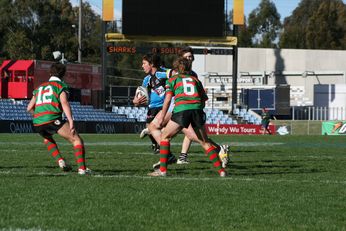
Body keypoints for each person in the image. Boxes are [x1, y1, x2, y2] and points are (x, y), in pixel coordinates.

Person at [148, 57, 226, 177]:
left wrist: (163, 116)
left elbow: (168, 99)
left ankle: (162, 170)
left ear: (175, 68)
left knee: (165, 137)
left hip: (181, 110)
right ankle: (222, 171)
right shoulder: (195, 80)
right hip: (197, 111)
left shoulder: (173, 79)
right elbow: (204, 99)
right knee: (205, 143)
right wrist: (198, 110)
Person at [26, 63, 90, 175]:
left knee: (47, 137)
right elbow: (64, 103)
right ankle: (82, 170)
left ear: (50, 73)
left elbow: (29, 108)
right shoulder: (60, 86)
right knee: (77, 140)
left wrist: (39, 116)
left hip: (37, 122)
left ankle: (61, 161)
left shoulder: (40, 87)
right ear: (63, 75)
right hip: (52, 118)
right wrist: (71, 121)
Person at [133, 53, 177, 165]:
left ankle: (166, 153)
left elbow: (174, 73)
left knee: (156, 129)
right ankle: (163, 151)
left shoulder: (161, 73)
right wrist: (135, 101)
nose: (142, 66)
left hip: (166, 106)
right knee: (152, 128)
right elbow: (139, 94)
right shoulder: (146, 79)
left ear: (151, 64)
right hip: (153, 107)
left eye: (144, 63)